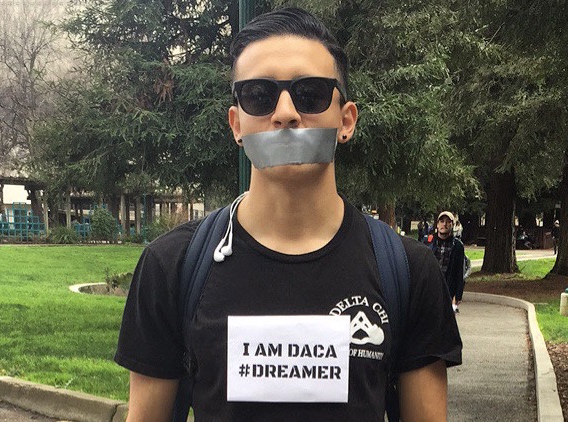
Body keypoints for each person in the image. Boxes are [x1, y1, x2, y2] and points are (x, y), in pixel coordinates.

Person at [115, 8, 461, 422]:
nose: (285, 113)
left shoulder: (408, 271)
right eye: (259, 95)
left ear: (345, 120)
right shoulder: (171, 267)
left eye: (310, 93)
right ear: (237, 124)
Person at [427, 211, 465, 313]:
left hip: (448, 289)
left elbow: (459, 272)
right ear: (437, 224)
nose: (444, 224)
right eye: (442, 221)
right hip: (430, 288)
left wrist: (457, 295)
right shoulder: (428, 242)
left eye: (448, 222)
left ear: (452, 225)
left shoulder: (457, 246)